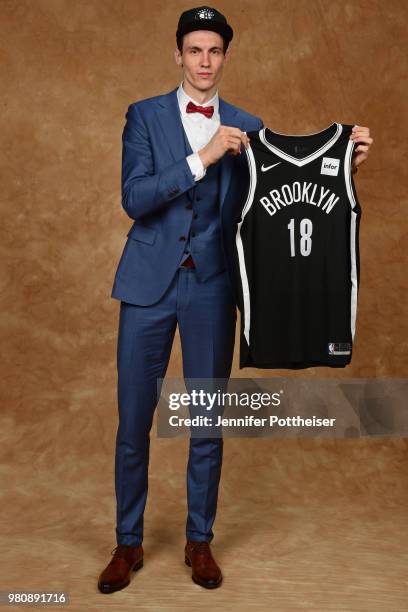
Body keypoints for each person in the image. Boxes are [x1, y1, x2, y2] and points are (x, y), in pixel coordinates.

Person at [98, 4, 373, 594]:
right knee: (133, 421)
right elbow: (135, 196)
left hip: (214, 287)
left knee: (207, 422)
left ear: (225, 57)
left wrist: (344, 162)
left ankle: (200, 541)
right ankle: (128, 542)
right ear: (179, 55)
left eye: (214, 51)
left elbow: (289, 190)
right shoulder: (143, 116)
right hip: (147, 284)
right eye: (194, 49)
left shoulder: (250, 124)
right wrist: (203, 158)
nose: (204, 61)